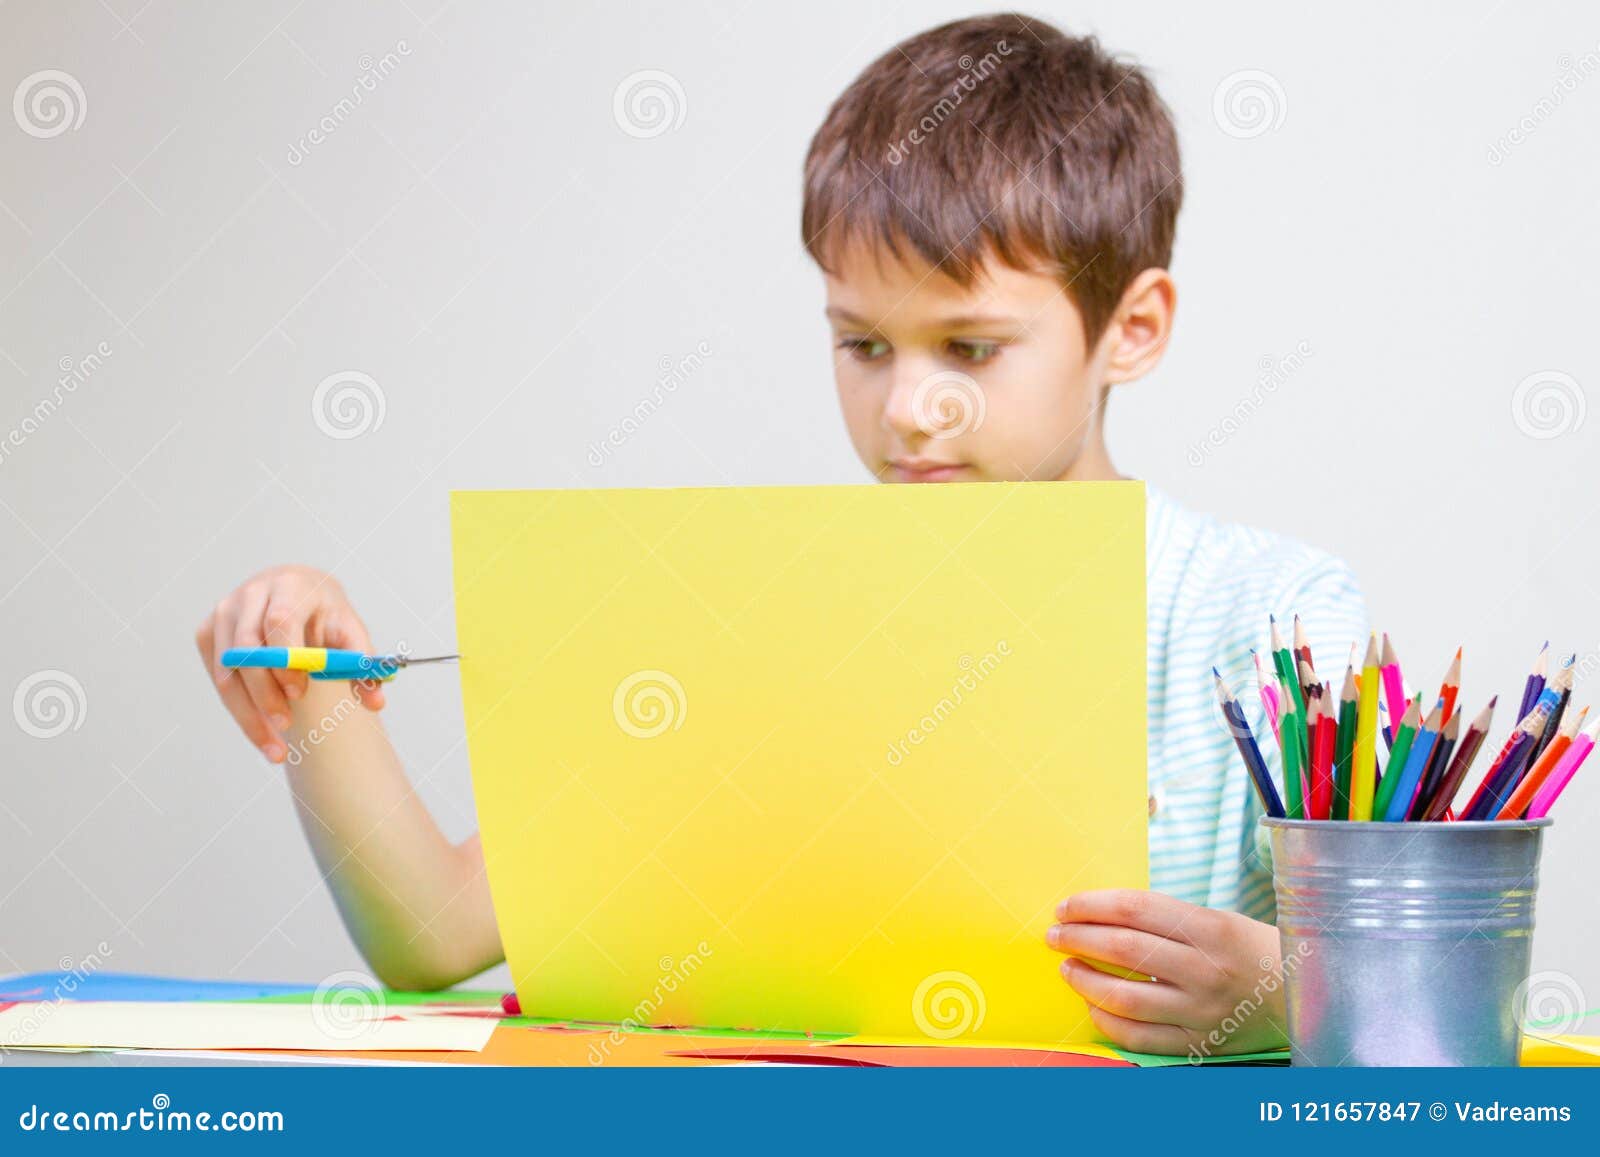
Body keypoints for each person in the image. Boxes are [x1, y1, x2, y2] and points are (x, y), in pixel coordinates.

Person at [195, 14, 1365, 1055]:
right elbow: (437, 933)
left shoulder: (1274, 615)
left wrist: (1282, 994)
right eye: (861, 343)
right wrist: (314, 688)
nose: (907, 406)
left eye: (968, 348)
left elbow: (1415, 999)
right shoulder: (764, 614)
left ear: (1134, 328)